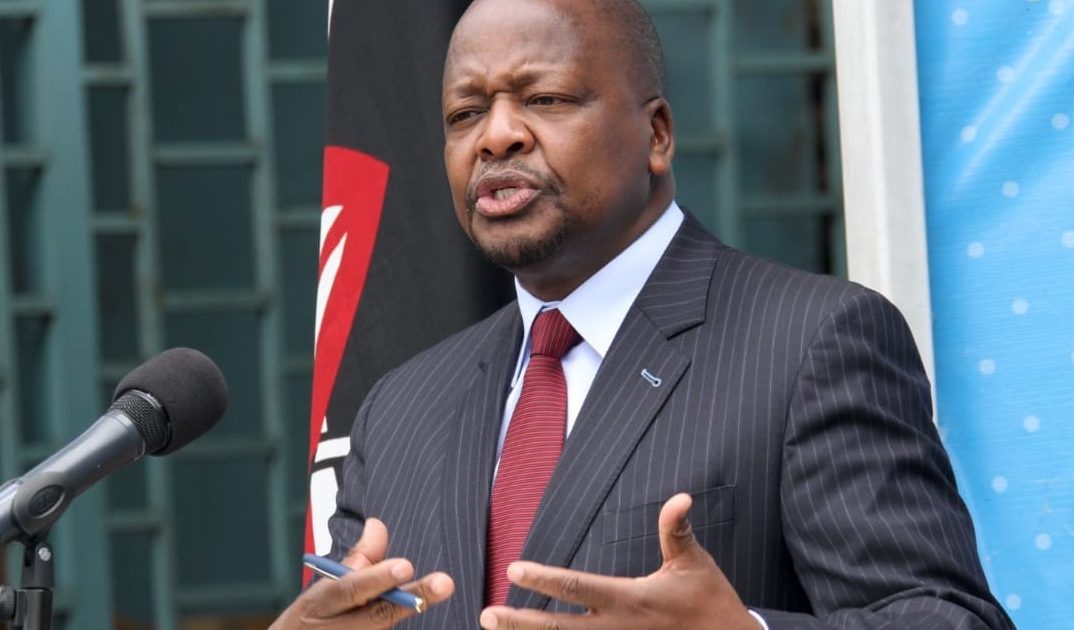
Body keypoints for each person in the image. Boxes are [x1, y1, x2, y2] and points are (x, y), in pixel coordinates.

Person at [274, 0, 1014, 628]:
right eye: (466, 114)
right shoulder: (398, 409)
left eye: (545, 100)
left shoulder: (813, 343)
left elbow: (946, 618)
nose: (496, 136)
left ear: (656, 134)